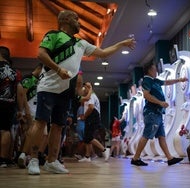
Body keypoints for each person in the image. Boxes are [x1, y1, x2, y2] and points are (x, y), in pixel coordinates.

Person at [27, 9, 136, 175]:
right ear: (66, 20)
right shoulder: (53, 35)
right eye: (76, 19)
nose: (79, 22)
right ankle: (33, 159)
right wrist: (58, 69)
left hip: (66, 92)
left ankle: (51, 161)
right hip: (48, 87)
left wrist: (121, 44)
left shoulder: (81, 43)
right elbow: (41, 54)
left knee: (58, 126)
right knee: (41, 122)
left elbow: (103, 52)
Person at [131, 62, 188, 166]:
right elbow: (146, 95)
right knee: (146, 135)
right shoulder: (147, 80)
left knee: (161, 136)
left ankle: (169, 158)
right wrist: (160, 102)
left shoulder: (154, 80)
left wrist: (180, 80)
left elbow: (167, 82)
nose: (156, 71)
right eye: (154, 69)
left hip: (158, 113)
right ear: (149, 70)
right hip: (151, 113)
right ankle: (135, 158)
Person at [0, 46, 24, 167]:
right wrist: (20, 109)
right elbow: (20, 91)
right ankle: (4, 159)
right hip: (9, 104)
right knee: (5, 130)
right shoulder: (16, 72)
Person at [78, 82, 109, 163]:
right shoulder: (87, 96)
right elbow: (84, 101)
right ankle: (87, 156)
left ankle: (104, 150)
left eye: (86, 87)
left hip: (93, 117)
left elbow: (91, 107)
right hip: (90, 118)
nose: (84, 89)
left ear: (90, 88)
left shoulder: (91, 95)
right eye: (84, 87)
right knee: (86, 137)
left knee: (89, 137)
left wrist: (84, 116)